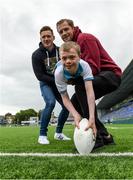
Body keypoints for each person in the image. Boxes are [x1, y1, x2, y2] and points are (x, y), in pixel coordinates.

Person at [56, 19, 122, 148]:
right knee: (76, 102)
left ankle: (96, 137)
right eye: (60, 32)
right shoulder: (72, 48)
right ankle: (106, 136)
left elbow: (93, 68)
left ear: (73, 28)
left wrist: (71, 80)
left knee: (81, 88)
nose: (64, 33)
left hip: (111, 75)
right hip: (97, 77)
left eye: (66, 29)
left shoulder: (84, 38)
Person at [32, 26, 70, 145]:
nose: (46, 38)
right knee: (50, 103)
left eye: (49, 36)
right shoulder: (36, 55)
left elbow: (68, 66)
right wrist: (57, 79)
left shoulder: (61, 50)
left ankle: (58, 133)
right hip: (46, 83)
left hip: (58, 83)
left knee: (67, 106)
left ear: (53, 37)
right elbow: (40, 76)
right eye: (44, 37)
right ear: (40, 38)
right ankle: (42, 135)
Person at [55, 41, 97, 137]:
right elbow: (65, 98)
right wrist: (75, 114)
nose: (68, 61)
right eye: (64, 58)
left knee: (79, 96)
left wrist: (92, 117)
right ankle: (58, 132)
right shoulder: (58, 73)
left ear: (79, 57)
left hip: (77, 78)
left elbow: (90, 93)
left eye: (72, 57)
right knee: (72, 107)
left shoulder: (85, 66)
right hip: (63, 80)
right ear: (60, 59)